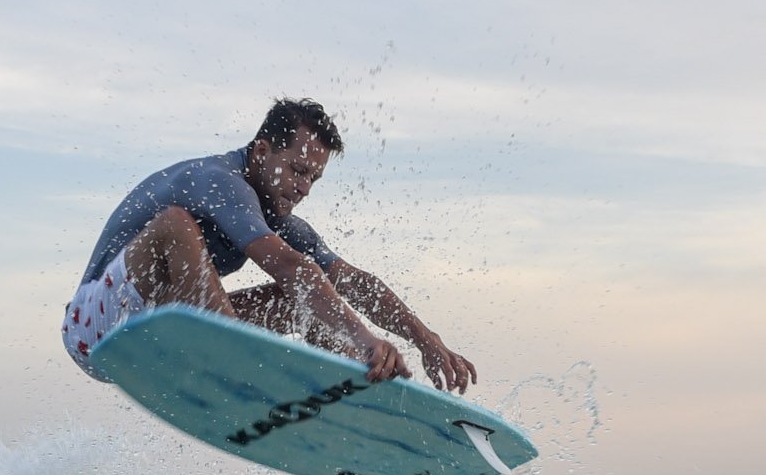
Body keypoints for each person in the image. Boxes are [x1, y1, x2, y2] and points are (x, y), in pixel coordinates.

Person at [62, 98, 476, 392]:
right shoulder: (218, 180)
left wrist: (426, 339)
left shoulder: (280, 219)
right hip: (96, 327)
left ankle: (354, 395)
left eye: (313, 178)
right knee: (177, 225)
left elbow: (351, 281)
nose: (303, 187)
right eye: (296, 170)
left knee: (309, 298)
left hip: (164, 339)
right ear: (261, 151)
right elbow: (290, 266)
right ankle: (237, 362)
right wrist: (368, 339)